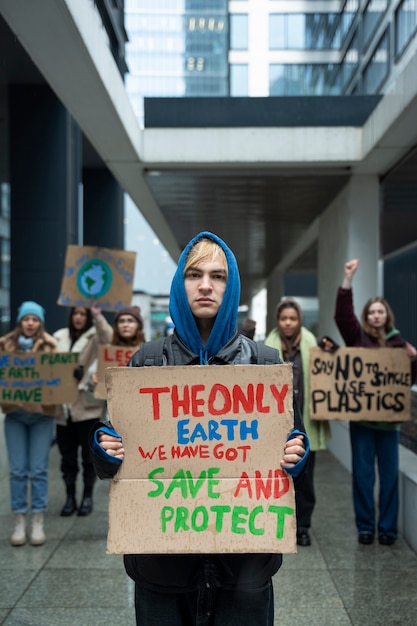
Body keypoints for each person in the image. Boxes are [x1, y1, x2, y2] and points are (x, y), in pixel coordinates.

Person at [89, 231, 310, 626]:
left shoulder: (265, 363)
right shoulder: (147, 362)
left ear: (233, 285)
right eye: (194, 275)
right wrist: (105, 451)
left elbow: (292, 450)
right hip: (162, 568)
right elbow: (112, 466)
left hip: (244, 567)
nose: (206, 285)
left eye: (218, 276)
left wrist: (296, 454)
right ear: (179, 284)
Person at [335, 258, 417, 546]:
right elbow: (343, 317)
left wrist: (413, 360)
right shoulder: (357, 338)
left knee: (390, 478)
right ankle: (366, 527)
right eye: (372, 312)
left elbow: (406, 381)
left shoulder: (399, 344)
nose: (376, 316)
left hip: (389, 424)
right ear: (366, 316)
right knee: (364, 477)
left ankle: (388, 529)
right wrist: (348, 280)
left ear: (387, 315)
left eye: (380, 312)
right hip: (362, 422)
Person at [265, 298, 334, 547]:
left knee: (305, 478)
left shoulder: (311, 343)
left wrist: (332, 351)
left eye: (292, 319)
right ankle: (279, 522)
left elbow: (326, 372)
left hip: (304, 419)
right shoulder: (268, 346)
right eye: (284, 319)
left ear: (299, 320)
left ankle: (302, 527)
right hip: (277, 422)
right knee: (279, 474)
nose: (288, 323)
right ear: (278, 321)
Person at [0, 301, 57, 546]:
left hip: (42, 415)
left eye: (34, 319)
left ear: (40, 323)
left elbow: (58, 376)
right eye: (26, 319)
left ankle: (37, 520)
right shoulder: (4, 345)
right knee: (17, 470)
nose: (30, 323)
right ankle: (19, 520)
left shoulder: (51, 345)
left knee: (39, 470)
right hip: (14, 414)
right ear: (20, 322)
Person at [54, 305, 113, 517]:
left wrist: (97, 315)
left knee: (88, 457)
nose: (79, 318)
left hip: (86, 407)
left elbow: (108, 338)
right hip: (63, 409)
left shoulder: (94, 337)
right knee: (67, 458)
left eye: (83, 314)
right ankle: (70, 497)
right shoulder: (59, 337)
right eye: (75, 314)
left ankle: (87, 497)